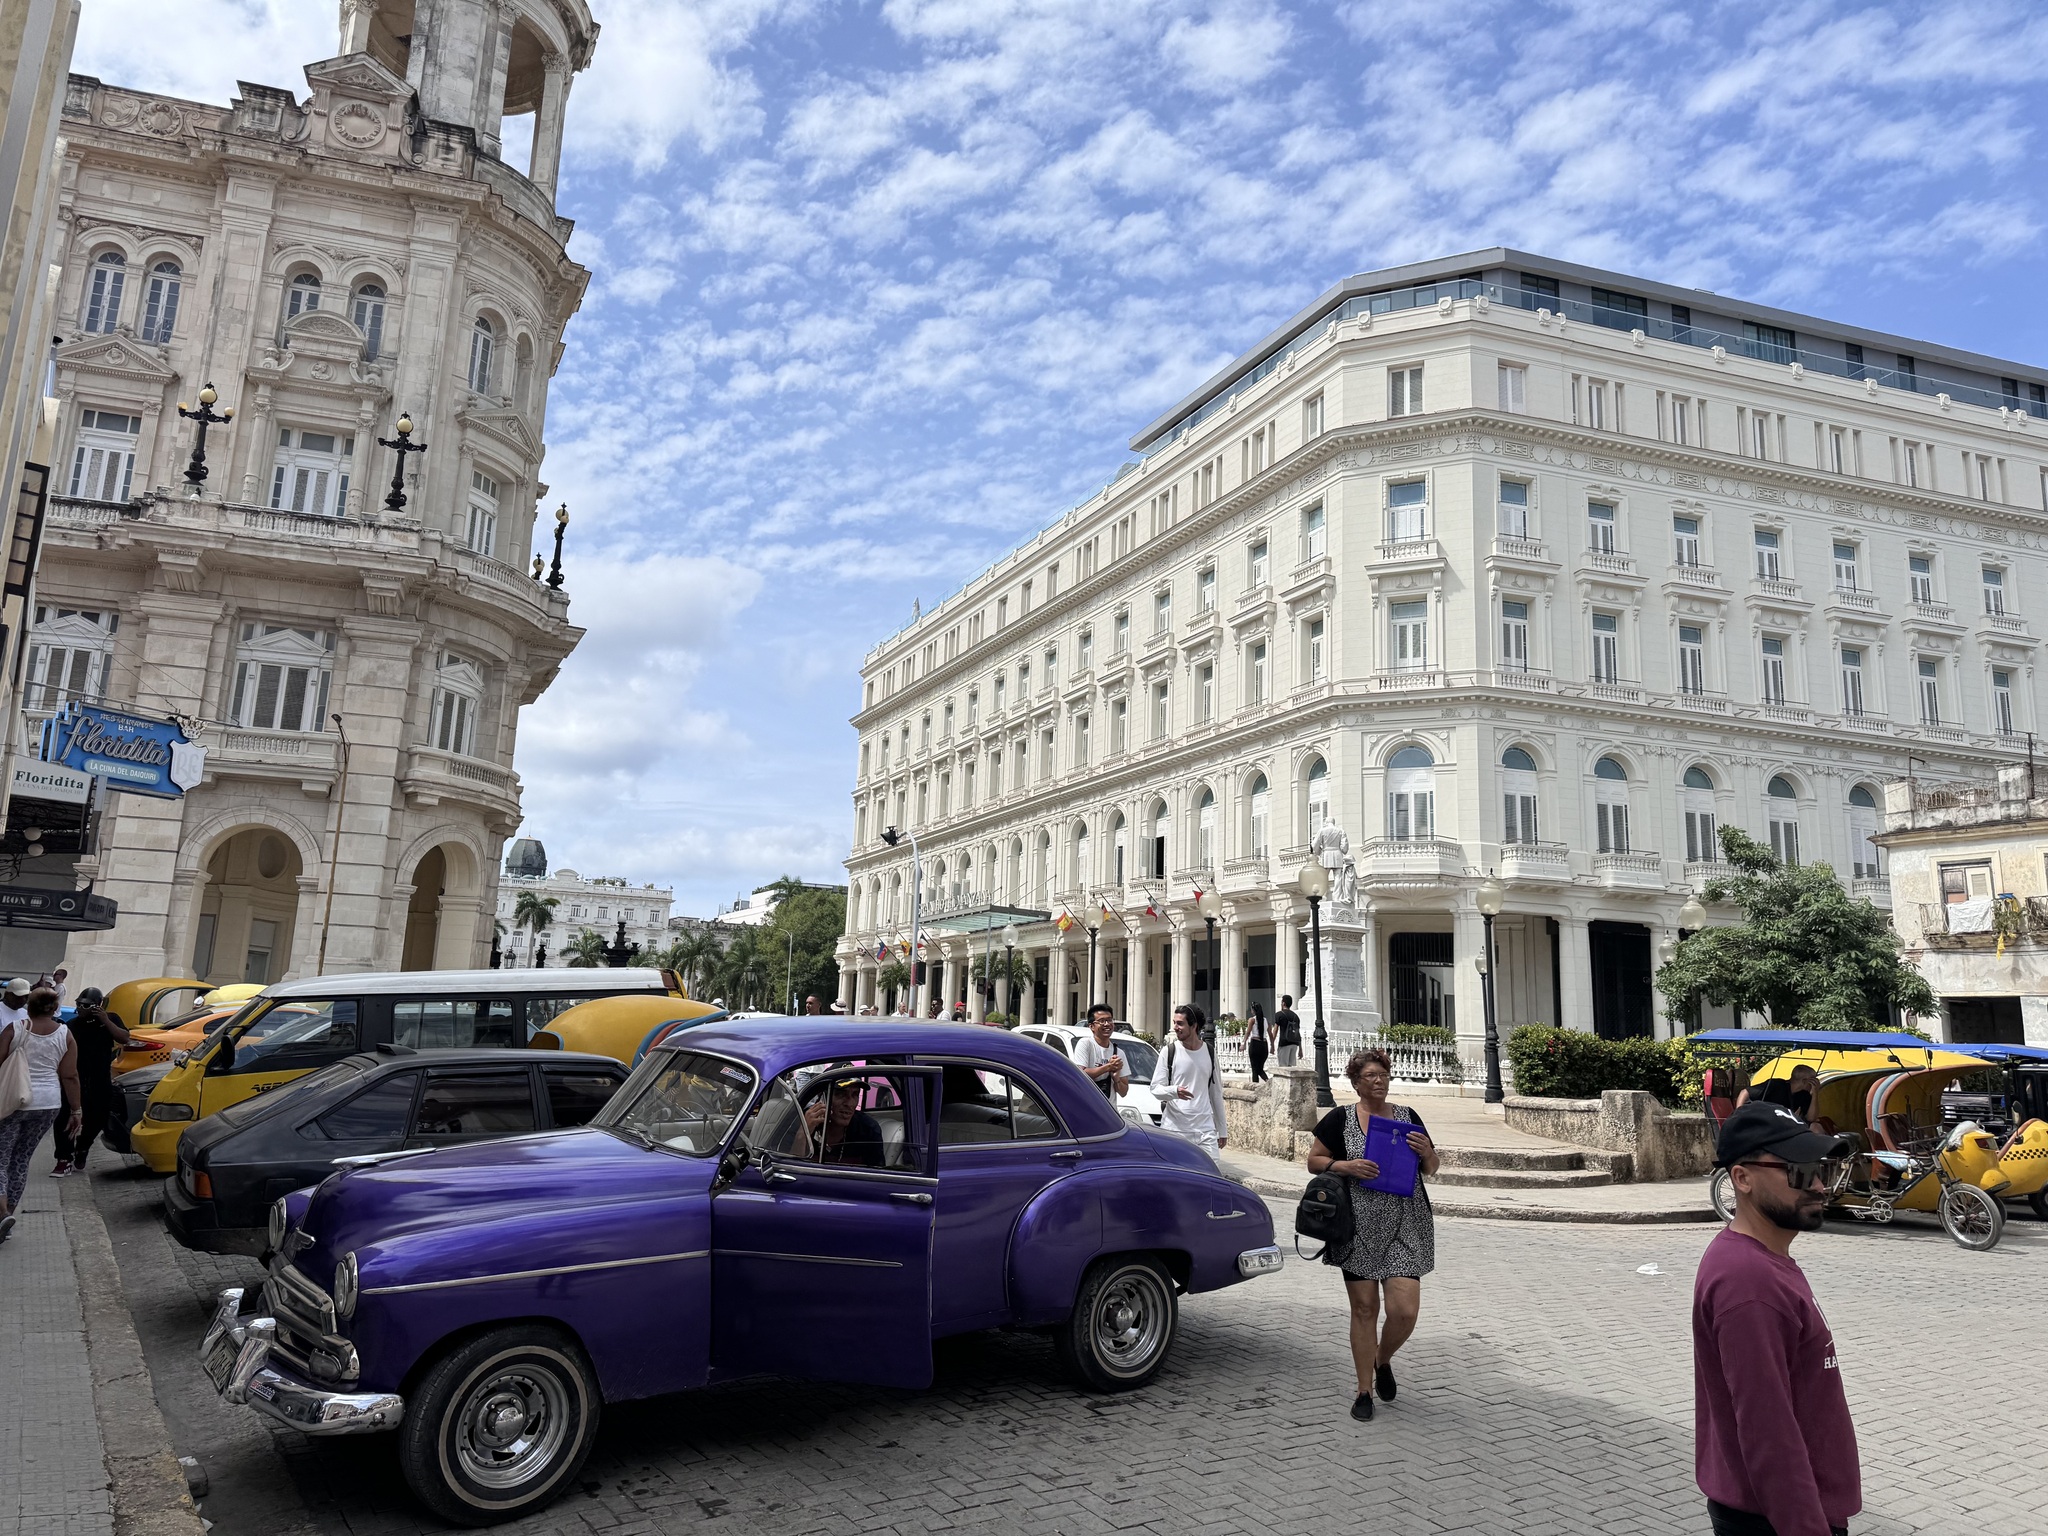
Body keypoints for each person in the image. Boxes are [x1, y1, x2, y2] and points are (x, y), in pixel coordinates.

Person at [1694, 1102, 1860, 1536]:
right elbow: (1768, 1432)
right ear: (1742, 1177)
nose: (1820, 1185)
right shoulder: (1749, 1282)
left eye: (1823, 1169)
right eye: (1800, 1171)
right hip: (1776, 1520)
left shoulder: (1762, 1262)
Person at [1306, 1047, 1439, 1423]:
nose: (1379, 1082)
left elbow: (1431, 1168)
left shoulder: (1408, 1116)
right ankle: (1364, 1389)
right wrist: (1345, 1166)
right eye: (1371, 1077)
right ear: (1356, 1082)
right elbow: (1314, 1160)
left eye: (1383, 1075)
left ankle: (1383, 1358)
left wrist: (1428, 1150)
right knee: (1364, 1309)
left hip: (1405, 1221)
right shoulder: (1340, 1118)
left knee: (1405, 1311)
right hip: (1357, 1225)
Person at [0, 989, 80, 1241]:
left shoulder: (15, 1028)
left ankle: (2, 1214)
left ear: (29, 1006)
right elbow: (69, 1075)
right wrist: (76, 1109)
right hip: (48, 1104)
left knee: (1, 1157)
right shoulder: (65, 1034)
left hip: (14, 1100)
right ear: (54, 1008)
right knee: (21, 1159)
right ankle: (8, 1217)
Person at [52, 986, 134, 1176]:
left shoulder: (110, 1019)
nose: (81, 1008)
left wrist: (105, 1020)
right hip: (75, 1077)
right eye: (79, 1005)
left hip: (99, 1077)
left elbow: (125, 1038)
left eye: (86, 1005)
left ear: (98, 1006)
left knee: (98, 1117)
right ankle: (63, 1157)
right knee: (64, 1116)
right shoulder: (72, 1024)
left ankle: (83, 1146)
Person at [1151, 1004, 1228, 1164]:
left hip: (1204, 1130)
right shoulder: (1169, 1051)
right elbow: (1155, 1089)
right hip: (1174, 1130)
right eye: (1174, 1022)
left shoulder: (1210, 1052)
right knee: (1176, 1179)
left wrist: (1222, 1130)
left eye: (1180, 1023)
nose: (1175, 1027)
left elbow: (1216, 1093)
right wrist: (1174, 1091)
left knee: (1212, 1176)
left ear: (1194, 1026)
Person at [803, 1077, 886, 1168]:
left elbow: (876, 1176)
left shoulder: (868, 1129)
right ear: (823, 1098)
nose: (849, 1104)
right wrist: (804, 1133)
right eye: (841, 1094)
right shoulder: (804, 1119)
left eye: (855, 1094)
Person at [1738, 1065, 1824, 1128]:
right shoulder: (1776, 1085)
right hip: (1764, 1123)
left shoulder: (1803, 1095)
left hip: (1782, 1127)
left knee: (1816, 1127)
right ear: (1804, 1081)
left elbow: (1811, 1118)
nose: (1816, 1083)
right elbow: (1744, 1092)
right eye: (1814, 1081)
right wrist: (1739, 1115)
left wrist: (1815, 1093)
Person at [1074, 1003, 1126, 1101]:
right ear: (1092, 1026)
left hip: (1109, 1111)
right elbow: (1080, 1074)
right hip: (1087, 1106)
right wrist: (1108, 1067)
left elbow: (1123, 1092)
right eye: (1102, 1021)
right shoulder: (1085, 1044)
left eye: (1109, 1020)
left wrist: (1116, 1079)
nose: (1107, 1024)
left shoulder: (1119, 1053)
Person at [1245, 1001, 1272, 1083]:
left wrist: (1243, 1043)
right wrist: (1272, 1046)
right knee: (1259, 1068)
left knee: (1255, 1069)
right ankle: (1268, 1082)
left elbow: (1248, 1032)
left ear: (1253, 1010)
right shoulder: (1266, 1021)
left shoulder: (1252, 1020)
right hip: (1264, 1045)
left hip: (1255, 1044)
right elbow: (1270, 1034)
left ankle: (1256, 1086)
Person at [1273, 994, 1302, 1068]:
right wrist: (1300, 1049)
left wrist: (1272, 1042)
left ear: (1283, 1003)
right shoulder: (1296, 1016)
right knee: (1290, 1067)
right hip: (1294, 1043)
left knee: (1283, 1066)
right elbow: (1298, 1032)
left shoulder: (1279, 1015)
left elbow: (1275, 1029)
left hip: (1284, 1043)